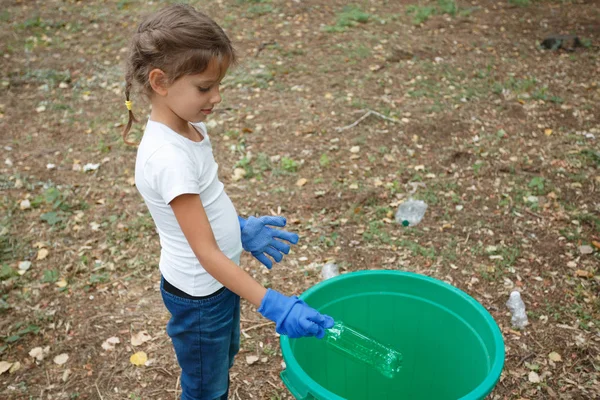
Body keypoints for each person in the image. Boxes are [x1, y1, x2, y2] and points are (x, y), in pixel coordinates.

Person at [121, 4, 334, 400]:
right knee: (206, 386)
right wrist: (274, 305)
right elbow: (204, 252)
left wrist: (237, 230)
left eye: (219, 85)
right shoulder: (167, 159)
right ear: (160, 81)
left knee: (223, 354)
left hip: (219, 284)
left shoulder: (189, 126)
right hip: (201, 293)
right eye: (205, 87)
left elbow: (207, 203)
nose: (216, 97)